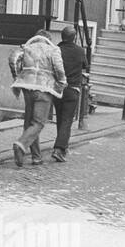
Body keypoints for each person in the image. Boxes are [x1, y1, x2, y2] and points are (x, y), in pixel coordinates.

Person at [8, 31, 67, 167]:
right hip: (44, 88)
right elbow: (59, 68)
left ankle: (36, 157)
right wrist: (62, 82)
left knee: (30, 123)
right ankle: (21, 144)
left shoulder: (27, 47)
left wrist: (17, 77)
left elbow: (13, 59)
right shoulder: (53, 49)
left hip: (27, 87)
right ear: (48, 39)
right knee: (39, 123)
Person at [51, 26, 88, 163]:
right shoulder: (79, 50)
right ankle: (59, 149)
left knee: (60, 119)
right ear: (74, 37)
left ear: (62, 36)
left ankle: (62, 146)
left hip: (58, 88)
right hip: (72, 89)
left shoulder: (56, 49)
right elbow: (85, 65)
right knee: (67, 120)